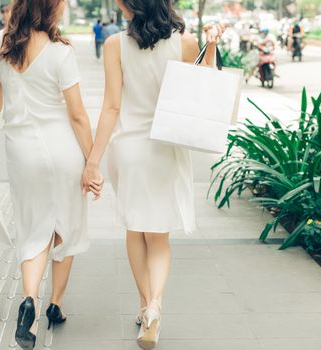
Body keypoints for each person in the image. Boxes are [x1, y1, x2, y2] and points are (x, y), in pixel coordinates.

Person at [81, 0, 224, 348]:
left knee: (135, 230)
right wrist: (213, 47)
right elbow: (203, 89)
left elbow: (112, 106)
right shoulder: (185, 43)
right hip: (165, 148)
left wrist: (93, 160)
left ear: (130, 6)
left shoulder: (116, 45)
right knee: (158, 235)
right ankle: (155, 306)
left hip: (128, 149)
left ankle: (145, 305)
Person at [0, 0, 102, 348]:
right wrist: (92, 162)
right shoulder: (60, 52)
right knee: (66, 224)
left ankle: (30, 300)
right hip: (63, 149)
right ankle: (55, 303)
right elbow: (77, 116)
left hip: (21, 151)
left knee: (33, 228)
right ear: (50, 9)